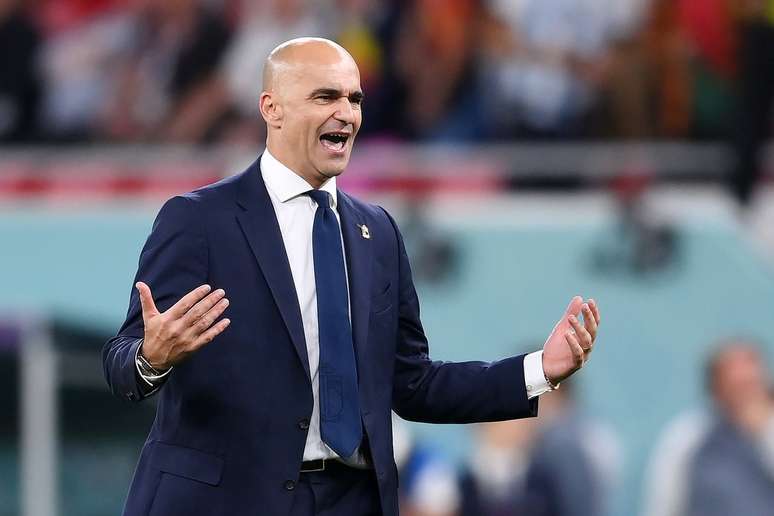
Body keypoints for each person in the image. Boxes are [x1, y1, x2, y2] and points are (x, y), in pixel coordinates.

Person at [102, 37, 602, 516]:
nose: (346, 112)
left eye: (355, 98)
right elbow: (121, 362)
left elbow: (413, 383)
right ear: (271, 108)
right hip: (230, 501)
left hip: (352, 499)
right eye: (326, 96)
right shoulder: (200, 220)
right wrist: (151, 357)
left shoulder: (378, 231)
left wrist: (538, 371)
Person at [686, 341, 774, 516]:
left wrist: (764, 431)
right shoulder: (691, 436)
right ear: (716, 390)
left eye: (750, 385)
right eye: (736, 387)